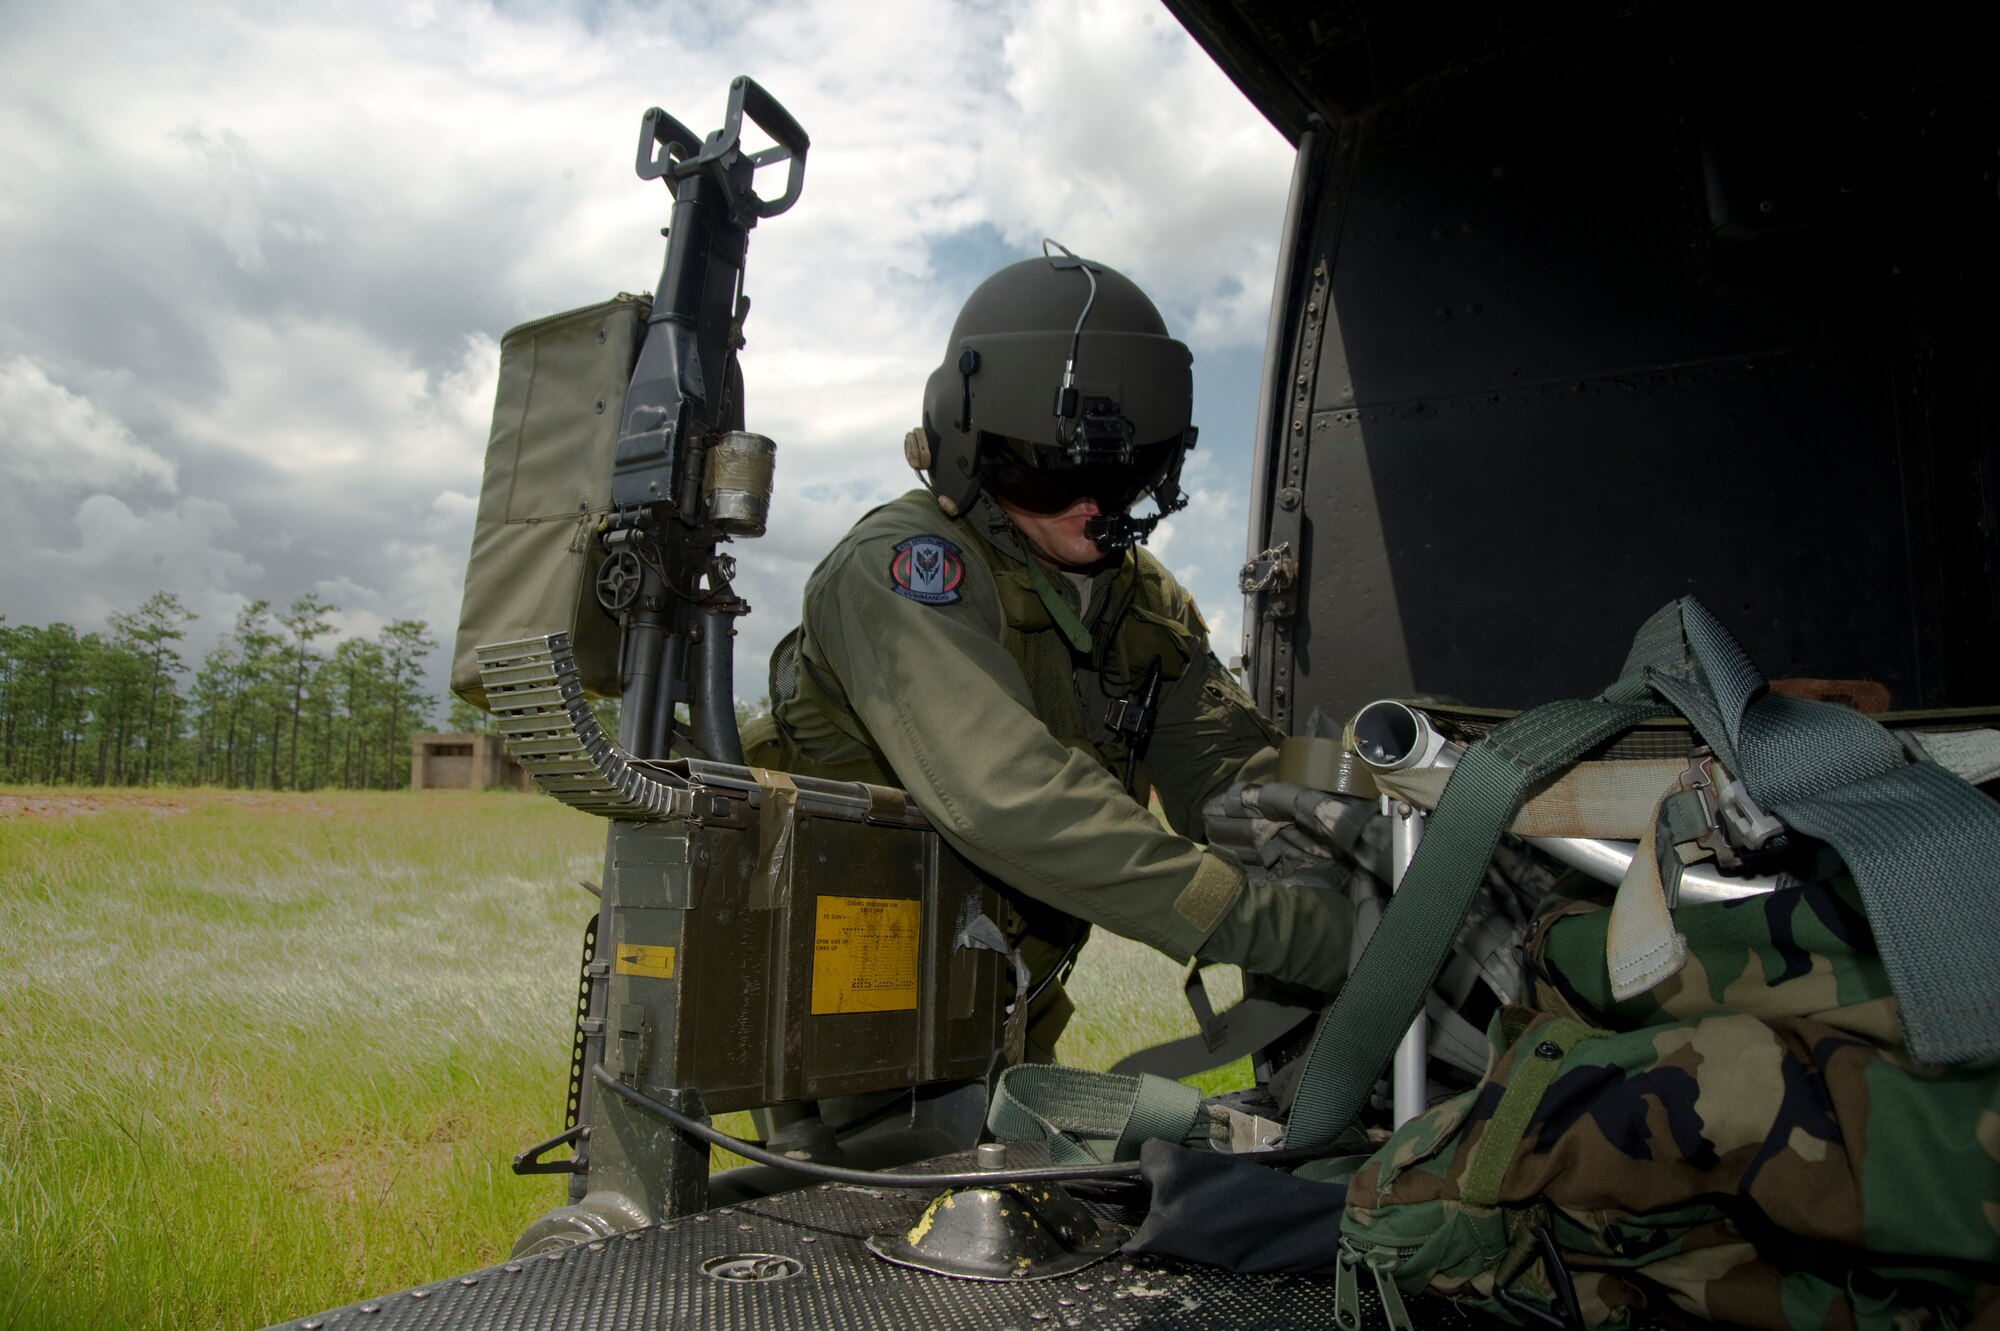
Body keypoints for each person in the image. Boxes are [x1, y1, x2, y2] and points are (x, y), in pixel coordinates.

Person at [744, 245, 1350, 1058]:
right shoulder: (904, 570)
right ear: (971, 453)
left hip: (999, 1001)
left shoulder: (1139, 599)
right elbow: (1011, 796)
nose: (1092, 503)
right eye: (1047, 473)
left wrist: (1371, 799)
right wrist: (1273, 927)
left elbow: (1234, 769)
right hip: (841, 1011)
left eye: (1123, 470)